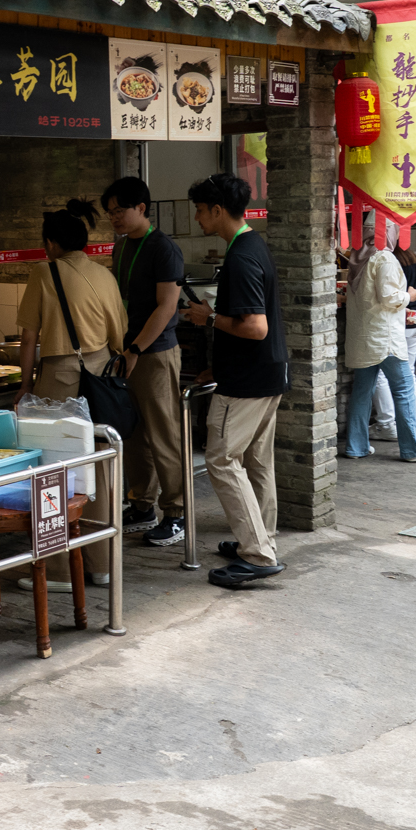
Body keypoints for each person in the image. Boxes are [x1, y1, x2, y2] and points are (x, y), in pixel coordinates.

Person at [14, 199, 127, 591]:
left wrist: (25, 386)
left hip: (59, 380)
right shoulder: (105, 276)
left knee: (55, 470)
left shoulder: (43, 273)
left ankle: (59, 571)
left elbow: (29, 337)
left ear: (51, 243)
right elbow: (119, 336)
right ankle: (102, 564)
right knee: (99, 469)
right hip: (99, 376)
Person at [183, 174, 288, 589]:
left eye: (200, 210)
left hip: (246, 381)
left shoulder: (241, 257)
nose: (197, 218)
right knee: (258, 461)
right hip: (267, 373)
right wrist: (217, 367)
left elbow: (255, 327)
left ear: (217, 210)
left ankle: (258, 554)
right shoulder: (253, 245)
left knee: (222, 458)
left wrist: (206, 317)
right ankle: (261, 539)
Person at [101, 176, 189, 547]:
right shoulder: (121, 248)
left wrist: (135, 349)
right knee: (133, 432)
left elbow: (167, 306)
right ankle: (142, 504)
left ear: (141, 208)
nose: (114, 218)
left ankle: (177, 512)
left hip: (153, 353)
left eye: (119, 210)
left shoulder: (163, 248)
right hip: (126, 352)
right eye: (110, 213)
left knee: (163, 433)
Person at [342, 219, 416, 463]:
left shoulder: (358, 256)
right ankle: (413, 448)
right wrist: (410, 296)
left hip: (364, 337)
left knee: (362, 391)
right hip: (384, 337)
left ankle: (356, 446)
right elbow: (389, 297)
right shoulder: (384, 258)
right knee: (405, 388)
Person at [369, 240, 416, 440]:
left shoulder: (385, 260)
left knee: (381, 374)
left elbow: (387, 297)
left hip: (400, 319)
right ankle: (410, 420)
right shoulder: (408, 254)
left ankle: (387, 423)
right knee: (408, 371)